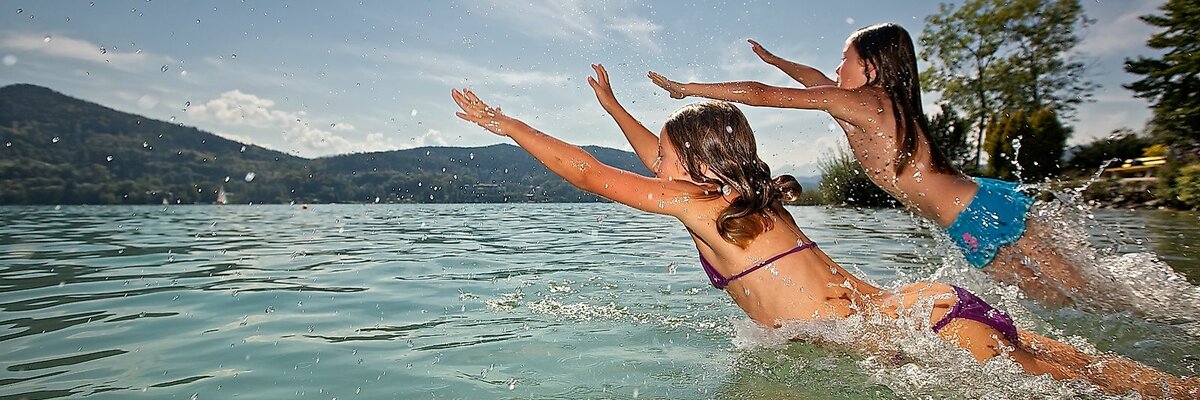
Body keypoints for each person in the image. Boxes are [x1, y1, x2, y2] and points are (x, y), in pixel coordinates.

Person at [450, 64, 1198, 397]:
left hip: (918, 333)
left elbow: (586, 172)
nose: (656, 166)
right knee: (1087, 369)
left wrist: (502, 121)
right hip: (927, 310)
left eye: (665, 157)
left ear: (692, 168)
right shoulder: (753, 199)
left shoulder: (701, 208)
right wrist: (615, 105)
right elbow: (649, 152)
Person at [646, 23, 1099, 308]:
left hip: (976, 213)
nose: (837, 69)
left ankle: (1160, 318)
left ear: (871, 67)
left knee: (1074, 298)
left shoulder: (867, 103)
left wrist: (689, 89)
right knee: (1071, 297)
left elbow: (765, 95)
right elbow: (813, 82)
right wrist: (777, 59)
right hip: (974, 209)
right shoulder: (875, 104)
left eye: (846, 60)